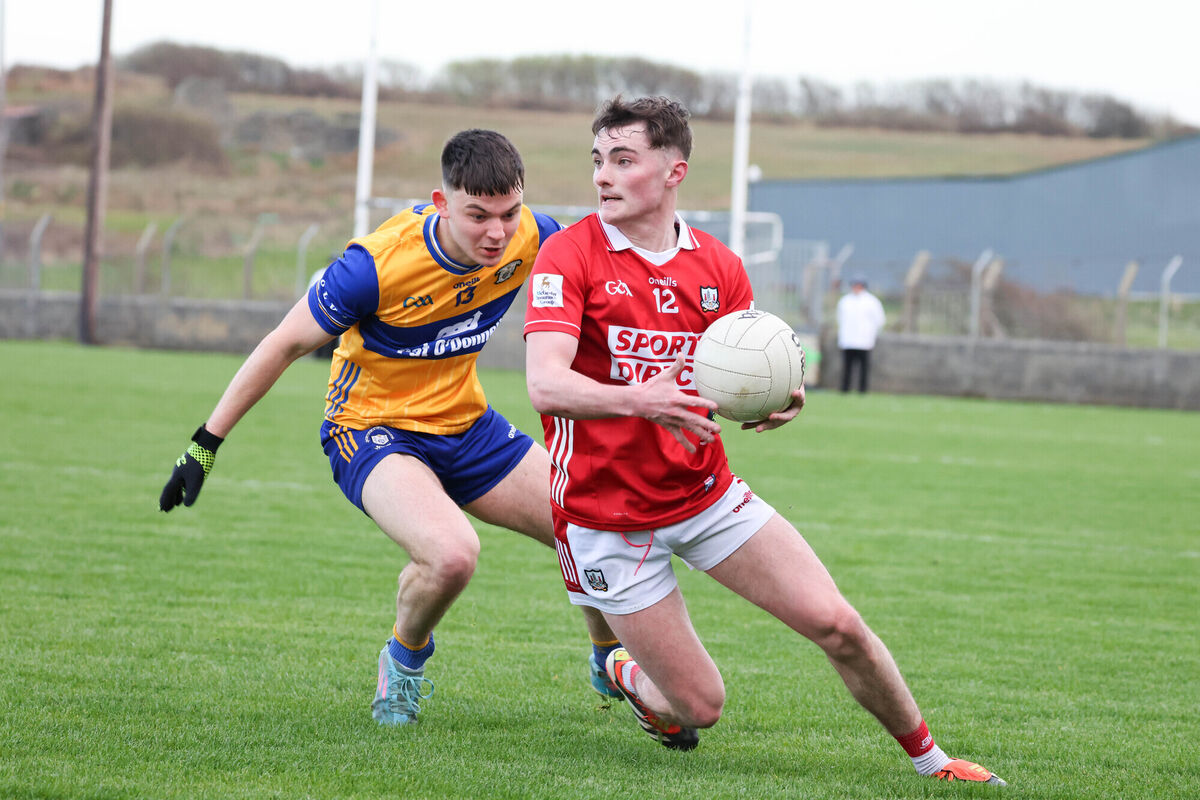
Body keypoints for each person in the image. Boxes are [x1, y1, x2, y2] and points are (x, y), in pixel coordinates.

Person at [522, 96, 1004, 785]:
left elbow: (738, 364)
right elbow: (546, 384)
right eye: (598, 159)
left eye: (624, 160)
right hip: (604, 518)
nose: (603, 175)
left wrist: (780, 390)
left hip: (704, 493)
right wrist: (642, 399)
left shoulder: (719, 266)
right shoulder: (568, 254)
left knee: (838, 624)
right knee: (700, 707)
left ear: (674, 171)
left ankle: (934, 763)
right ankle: (624, 667)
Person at [159, 128, 622, 727]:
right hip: (372, 431)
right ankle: (402, 663)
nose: (497, 233)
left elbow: (616, 280)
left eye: (509, 213)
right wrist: (205, 445)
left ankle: (609, 655)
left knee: (590, 519)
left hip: (466, 425)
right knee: (452, 555)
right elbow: (283, 344)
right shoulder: (374, 267)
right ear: (441, 202)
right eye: (478, 216)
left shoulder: (536, 236)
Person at [836, 275, 886, 393]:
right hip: (848, 340)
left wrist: (871, 333)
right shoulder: (845, 301)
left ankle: (863, 390)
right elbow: (840, 318)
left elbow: (880, 320)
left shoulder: (872, 301)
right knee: (847, 367)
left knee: (864, 367)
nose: (856, 288)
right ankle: (845, 389)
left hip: (864, 341)